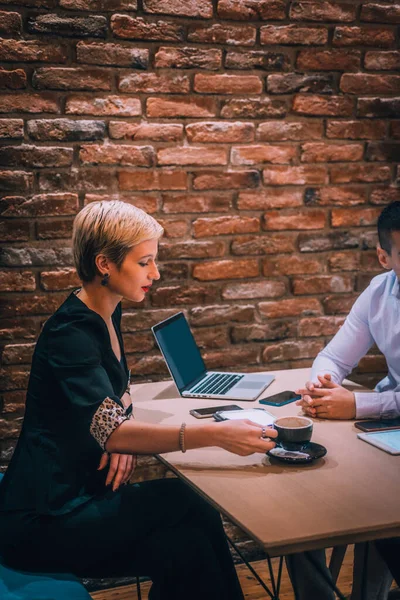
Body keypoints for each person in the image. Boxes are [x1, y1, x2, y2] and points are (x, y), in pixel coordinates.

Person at [0, 200, 278, 600]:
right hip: (44, 516)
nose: (156, 273)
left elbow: (116, 400)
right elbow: (113, 429)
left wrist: (119, 438)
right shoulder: (70, 335)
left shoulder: (105, 312)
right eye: (144, 262)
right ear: (105, 264)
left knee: (186, 550)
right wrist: (217, 435)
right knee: (185, 499)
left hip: (80, 496)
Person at [288, 201, 400, 600]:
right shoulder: (379, 291)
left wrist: (357, 405)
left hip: (384, 422)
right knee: (299, 501)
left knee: (380, 511)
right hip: (387, 430)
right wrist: (321, 385)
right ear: (384, 256)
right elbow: (335, 358)